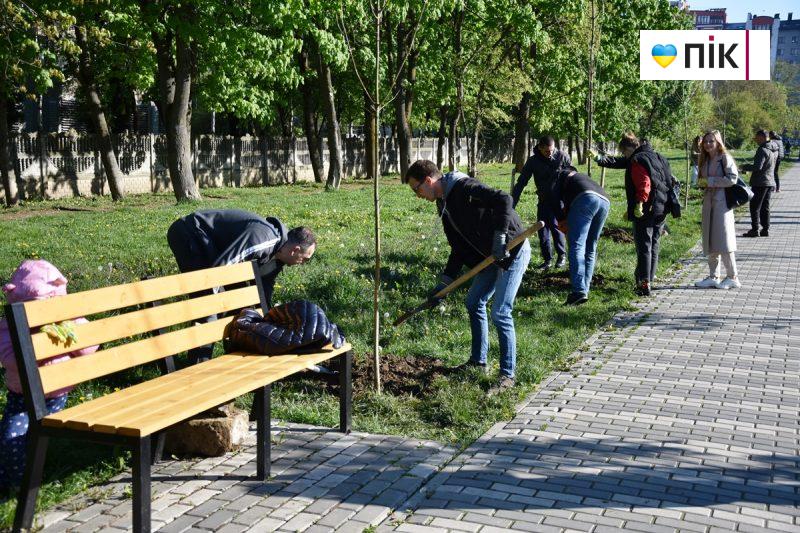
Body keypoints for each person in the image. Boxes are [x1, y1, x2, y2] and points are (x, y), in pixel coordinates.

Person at [405, 160, 531, 394]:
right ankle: (478, 361)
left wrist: (500, 236)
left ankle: (507, 375)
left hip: (513, 248)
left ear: (429, 181)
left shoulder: (464, 187)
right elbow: (458, 248)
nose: (417, 195)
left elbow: (504, 199)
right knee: (473, 302)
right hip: (489, 257)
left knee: (500, 312)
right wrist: (445, 282)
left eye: (416, 189)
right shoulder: (443, 204)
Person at [167, 209, 316, 361]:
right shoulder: (263, 239)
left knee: (239, 305)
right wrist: (211, 303)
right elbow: (223, 268)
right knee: (208, 305)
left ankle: (235, 357)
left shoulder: (278, 257)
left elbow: (263, 291)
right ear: (295, 250)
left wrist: (266, 323)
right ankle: (198, 365)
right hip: (190, 232)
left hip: (215, 248)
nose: (302, 263)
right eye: (305, 259)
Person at [0, 260, 99, 490]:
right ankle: (14, 484)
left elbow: (89, 346)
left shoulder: (68, 320)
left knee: (39, 438)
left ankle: (36, 471)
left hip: (57, 395)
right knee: (10, 439)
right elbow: (9, 358)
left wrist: (66, 331)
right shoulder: (9, 327)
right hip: (22, 397)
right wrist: (36, 344)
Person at [595, 133, 673, 296]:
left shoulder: (637, 160)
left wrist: (639, 203)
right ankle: (649, 279)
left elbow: (644, 184)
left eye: (624, 152)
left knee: (644, 246)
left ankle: (643, 285)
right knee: (654, 243)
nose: (624, 156)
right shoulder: (656, 156)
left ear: (629, 148)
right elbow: (668, 180)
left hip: (646, 209)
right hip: (662, 206)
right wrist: (600, 158)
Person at [549, 167, 610, 305]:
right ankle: (584, 290)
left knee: (577, 245)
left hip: (586, 198)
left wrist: (561, 219)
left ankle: (578, 291)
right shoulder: (581, 178)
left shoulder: (559, 176)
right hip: (605, 200)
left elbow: (553, 198)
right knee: (590, 246)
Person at [511, 135, 571, 270]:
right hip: (543, 200)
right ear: (540, 148)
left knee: (557, 228)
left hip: (559, 200)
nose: (550, 154)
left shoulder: (562, 156)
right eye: (547, 151)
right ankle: (547, 260)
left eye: (552, 150)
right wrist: (512, 203)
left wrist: (570, 201)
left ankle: (562, 256)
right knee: (542, 230)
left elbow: (571, 177)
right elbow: (521, 182)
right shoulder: (533, 161)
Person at [694, 130, 741, 289]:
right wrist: (701, 182)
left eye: (711, 141)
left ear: (718, 142)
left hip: (722, 203)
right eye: (705, 141)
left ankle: (732, 276)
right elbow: (703, 179)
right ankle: (713, 276)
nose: (707, 144)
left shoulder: (724, 158)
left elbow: (732, 179)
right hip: (709, 203)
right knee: (710, 240)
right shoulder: (706, 160)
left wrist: (711, 181)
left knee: (724, 240)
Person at [741, 130, 778, 238]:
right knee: (765, 207)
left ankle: (755, 230)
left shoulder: (762, 149)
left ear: (762, 137)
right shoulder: (773, 148)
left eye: (757, 138)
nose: (756, 140)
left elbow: (758, 167)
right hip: (769, 182)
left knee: (755, 207)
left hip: (760, 183)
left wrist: (744, 167)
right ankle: (765, 229)